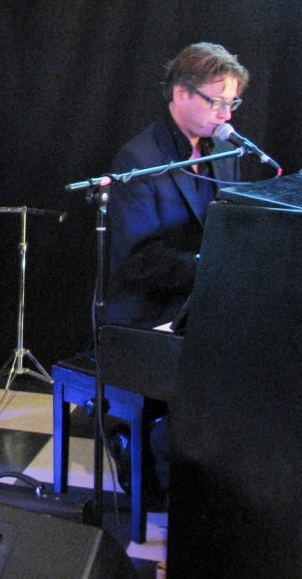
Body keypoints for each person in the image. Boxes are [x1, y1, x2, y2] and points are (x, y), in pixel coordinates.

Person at [105, 41, 250, 501]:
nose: (225, 115)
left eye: (232, 103)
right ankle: (148, 452)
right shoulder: (139, 158)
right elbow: (139, 260)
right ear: (181, 92)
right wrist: (211, 271)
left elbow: (232, 224)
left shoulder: (223, 150)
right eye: (217, 102)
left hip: (199, 297)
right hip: (149, 304)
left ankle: (218, 467)